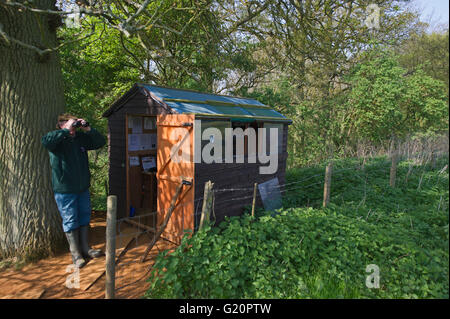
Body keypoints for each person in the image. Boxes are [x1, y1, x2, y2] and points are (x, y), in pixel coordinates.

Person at [42, 113, 106, 268]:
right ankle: (76, 254)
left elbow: (100, 142)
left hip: (82, 187)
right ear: (61, 125)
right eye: (68, 123)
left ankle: (85, 248)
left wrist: (88, 128)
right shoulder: (56, 138)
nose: (72, 127)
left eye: (73, 123)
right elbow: (46, 142)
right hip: (65, 189)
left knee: (84, 216)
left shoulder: (80, 139)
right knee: (70, 220)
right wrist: (65, 131)